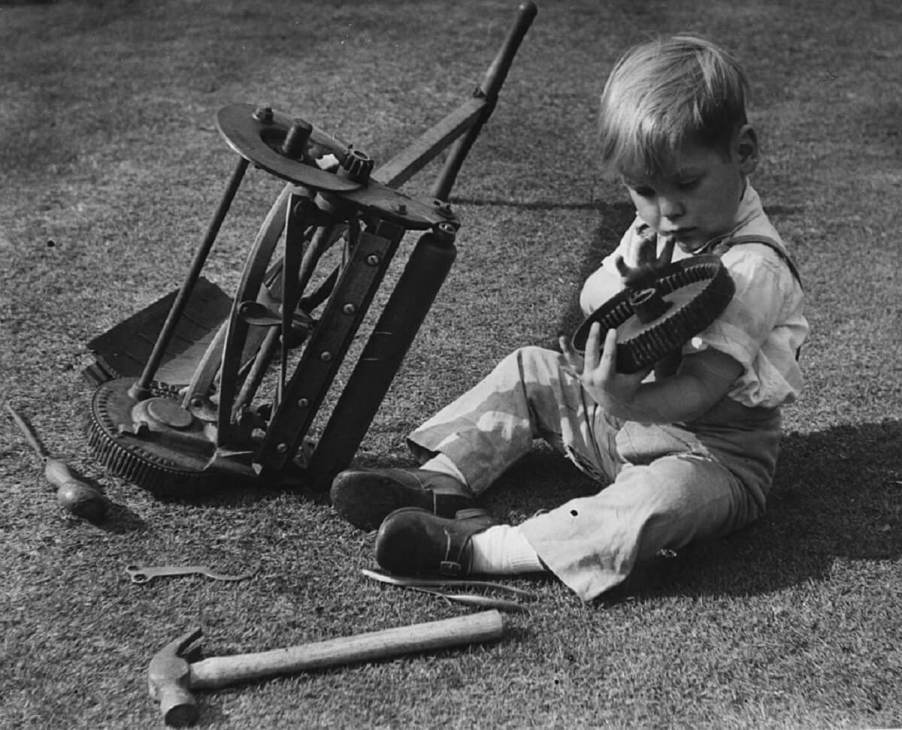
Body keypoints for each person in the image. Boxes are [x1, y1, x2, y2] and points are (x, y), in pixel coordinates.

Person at [329, 34, 808, 602]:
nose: (667, 209)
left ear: (744, 152)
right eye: (643, 190)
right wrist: (628, 298)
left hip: (710, 455)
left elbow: (704, 389)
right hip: (624, 421)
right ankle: (445, 477)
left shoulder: (751, 268)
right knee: (532, 368)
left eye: (686, 183)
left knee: (665, 498)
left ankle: (483, 551)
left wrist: (625, 400)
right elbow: (594, 296)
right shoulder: (661, 227)